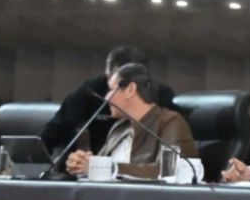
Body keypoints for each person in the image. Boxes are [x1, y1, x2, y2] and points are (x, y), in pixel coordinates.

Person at [40, 46, 177, 159]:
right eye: (114, 85)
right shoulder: (91, 91)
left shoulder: (166, 108)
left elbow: (170, 162)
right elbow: (57, 128)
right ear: (108, 76)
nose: (107, 98)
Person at [65, 63, 196, 180]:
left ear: (130, 90)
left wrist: (110, 168)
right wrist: (82, 164)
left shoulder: (171, 122)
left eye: (111, 89)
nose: (106, 97)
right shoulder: (119, 127)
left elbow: (169, 171)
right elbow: (97, 168)